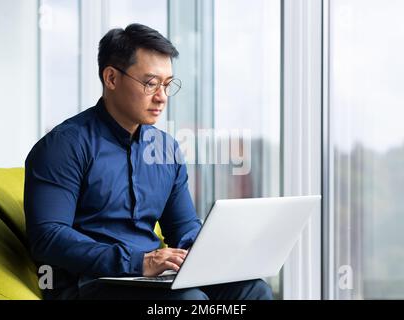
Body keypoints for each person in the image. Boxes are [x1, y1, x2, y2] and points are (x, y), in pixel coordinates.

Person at [24, 23, 272, 300]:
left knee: (254, 289)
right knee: (187, 300)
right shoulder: (64, 145)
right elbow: (48, 237)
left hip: (151, 278)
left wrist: (205, 255)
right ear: (111, 78)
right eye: (151, 83)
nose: (162, 97)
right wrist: (139, 261)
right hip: (90, 282)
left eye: (167, 85)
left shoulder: (166, 148)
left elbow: (183, 227)